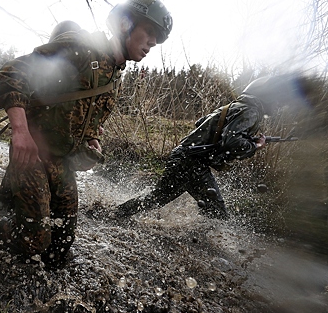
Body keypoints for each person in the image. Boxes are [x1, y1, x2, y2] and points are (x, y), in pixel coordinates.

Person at [0, 0, 173, 269]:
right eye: (150, 32)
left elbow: (90, 119)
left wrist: (92, 141)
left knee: (60, 247)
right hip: (33, 152)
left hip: (62, 162)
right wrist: (20, 133)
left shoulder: (115, 76)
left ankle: (6, 212)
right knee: (34, 241)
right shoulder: (80, 49)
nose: (153, 42)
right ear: (124, 24)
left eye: (157, 37)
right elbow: (10, 75)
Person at [115, 74, 316, 220]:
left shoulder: (233, 107)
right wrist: (254, 146)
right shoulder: (251, 112)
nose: (279, 105)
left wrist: (244, 137)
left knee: (157, 198)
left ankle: (116, 214)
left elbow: (201, 124)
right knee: (217, 213)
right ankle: (203, 252)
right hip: (192, 161)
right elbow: (231, 143)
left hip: (184, 156)